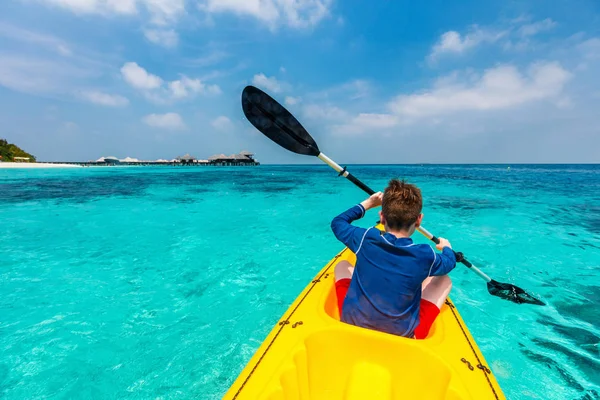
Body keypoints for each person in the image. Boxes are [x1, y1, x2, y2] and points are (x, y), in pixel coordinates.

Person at [331, 178, 456, 339]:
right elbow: (449, 262)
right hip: (402, 336)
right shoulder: (424, 254)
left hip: (352, 324)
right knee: (443, 279)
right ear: (418, 220)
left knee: (342, 264)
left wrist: (368, 203)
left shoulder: (365, 238)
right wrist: (446, 247)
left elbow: (338, 222)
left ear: (382, 217)